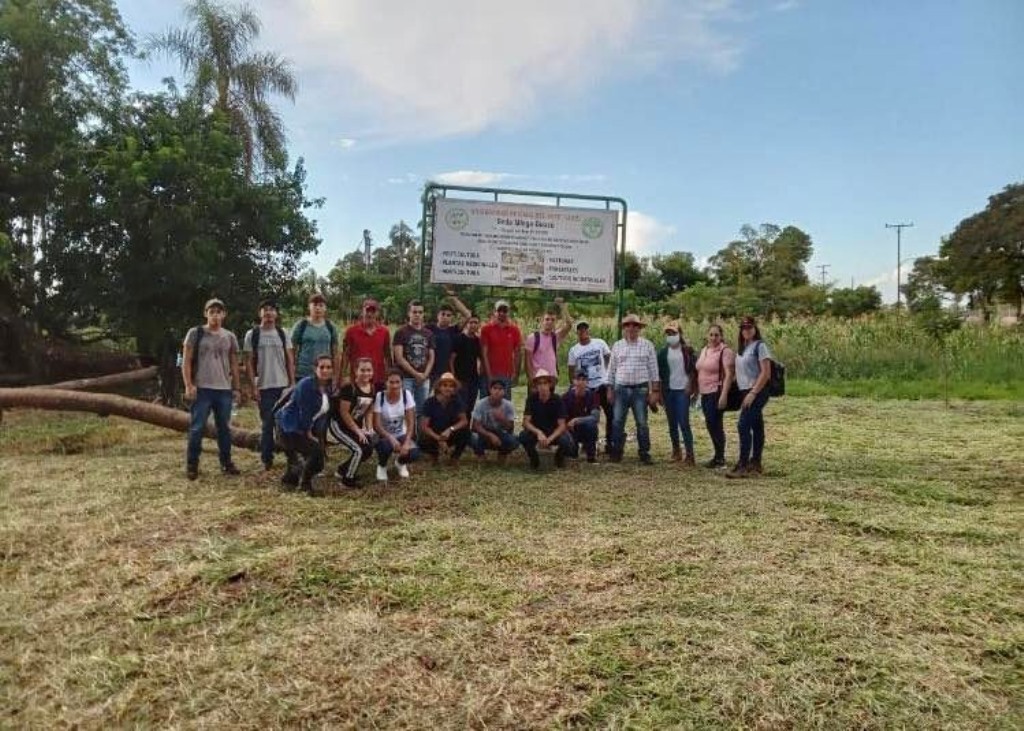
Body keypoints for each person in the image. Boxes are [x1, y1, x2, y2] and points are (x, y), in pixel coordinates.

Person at [181, 298, 242, 481]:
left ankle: (226, 462)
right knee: (197, 427)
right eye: (211, 312)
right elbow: (186, 361)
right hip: (202, 388)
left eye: (219, 312)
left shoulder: (229, 336)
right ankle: (192, 464)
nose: (215, 315)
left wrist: (236, 388)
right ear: (205, 313)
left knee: (224, 428)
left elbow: (234, 364)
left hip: (223, 389)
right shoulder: (195, 333)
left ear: (224, 314)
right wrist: (188, 385)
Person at [243, 297, 295, 471]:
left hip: (283, 386)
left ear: (276, 314)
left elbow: (289, 360)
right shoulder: (252, 335)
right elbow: (249, 362)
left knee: (286, 423)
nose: (269, 312)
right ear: (260, 314)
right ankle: (267, 459)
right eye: (265, 309)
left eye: (272, 309)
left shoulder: (283, 333)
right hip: (263, 386)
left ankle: (291, 457)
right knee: (267, 424)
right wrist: (253, 386)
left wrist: (292, 383)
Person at [276, 355, 335, 494]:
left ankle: (290, 479)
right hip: (290, 427)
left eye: (328, 367)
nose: (325, 370)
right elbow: (305, 411)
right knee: (316, 454)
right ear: (315, 369)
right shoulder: (307, 385)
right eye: (322, 367)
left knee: (308, 456)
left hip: (300, 426)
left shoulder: (327, 387)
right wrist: (308, 433)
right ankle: (304, 485)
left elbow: (321, 414)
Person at [607, 313, 661, 464]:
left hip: (640, 390)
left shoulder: (648, 345)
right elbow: (611, 370)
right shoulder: (617, 346)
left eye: (635, 325)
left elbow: (654, 370)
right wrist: (609, 389)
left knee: (642, 422)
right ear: (624, 328)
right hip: (620, 389)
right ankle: (617, 451)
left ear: (639, 328)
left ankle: (644, 452)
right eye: (628, 325)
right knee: (617, 421)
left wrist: (655, 392)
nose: (631, 328)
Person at [726, 316, 772, 479]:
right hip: (744, 390)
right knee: (757, 425)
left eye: (749, 327)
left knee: (743, 425)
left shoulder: (760, 346)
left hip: (757, 390)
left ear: (755, 329)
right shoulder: (743, 347)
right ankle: (756, 462)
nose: (746, 330)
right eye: (744, 328)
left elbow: (766, 372)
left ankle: (743, 464)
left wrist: (753, 393)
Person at [330, 357, 377, 488]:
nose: (366, 373)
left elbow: (368, 411)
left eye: (369, 370)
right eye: (362, 370)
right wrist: (357, 431)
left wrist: (369, 428)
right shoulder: (349, 388)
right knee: (358, 450)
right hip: (339, 425)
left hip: (355, 425)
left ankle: (342, 470)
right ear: (356, 371)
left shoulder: (372, 388)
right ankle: (347, 481)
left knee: (367, 448)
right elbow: (344, 413)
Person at [567, 320, 613, 451]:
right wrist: (574, 384)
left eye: (585, 329)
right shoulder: (574, 350)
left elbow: (609, 358)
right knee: (588, 417)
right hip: (587, 389)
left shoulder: (600, 343)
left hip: (602, 385)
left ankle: (610, 444)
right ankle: (588, 443)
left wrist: (609, 377)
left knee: (611, 415)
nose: (583, 332)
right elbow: (571, 369)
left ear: (589, 330)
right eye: (580, 330)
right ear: (577, 332)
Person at [694, 324, 735, 468]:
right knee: (710, 424)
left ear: (721, 336)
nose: (713, 338)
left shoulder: (725, 351)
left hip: (715, 392)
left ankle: (720, 457)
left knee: (716, 424)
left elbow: (729, 374)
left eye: (716, 335)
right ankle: (717, 455)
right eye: (711, 334)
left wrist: (723, 395)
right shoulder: (705, 350)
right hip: (704, 392)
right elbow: (699, 371)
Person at [657, 321, 697, 466]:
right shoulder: (662, 353)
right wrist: (660, 394)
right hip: (668, 391)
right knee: (671, 423)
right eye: (668, 333)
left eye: (673, 333)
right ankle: (676, 451)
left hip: (682, 391)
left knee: (683, 422)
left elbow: (693, 370)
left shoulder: (687, 351)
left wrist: (690, 385)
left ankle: (690, 454)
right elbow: (660, 375)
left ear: (679, 334)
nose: (670, 336)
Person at [519, 369, 575, 469]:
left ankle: (559, 458)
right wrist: (538, 432)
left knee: (567, 442)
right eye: (539, 383)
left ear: (550, 384)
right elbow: (526, 422)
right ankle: (534, 459)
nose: (542, 386)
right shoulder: (531, 399)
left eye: (545, 383)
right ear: (536, 386)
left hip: (553, 432)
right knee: (523, 436)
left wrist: (550, 439)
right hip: (538, 432)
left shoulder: (557, 400)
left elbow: (562, 425)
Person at [373, 367, 421, 481]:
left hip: (401, 434)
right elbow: (376, 425)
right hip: (383, 435)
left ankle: (400, 463)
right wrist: (390, 438)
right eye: (391, 382)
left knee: (414, 452)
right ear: (386, 383)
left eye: (397, 382)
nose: (394, 385)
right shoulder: (380, 397)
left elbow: (411, 422)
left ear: (402, 383)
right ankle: (382, 466)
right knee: (385, 446)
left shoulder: (406, 395)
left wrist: (407, 442)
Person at [392, 300, 435, 418]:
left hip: (424, 378)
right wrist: (416, 374)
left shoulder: (429, 334)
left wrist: (425, 375)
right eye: (414, 312)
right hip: (406, 378)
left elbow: (431, 357)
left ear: (423, 314)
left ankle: (420, 436)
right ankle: (407, 436)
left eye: (420, 312)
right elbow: (399, 357)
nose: (417, 315)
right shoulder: (400, 332)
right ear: (409, 313)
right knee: (405, 410)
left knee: (422, 411)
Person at [419, 372, 470, 465]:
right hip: (434, 434)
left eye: (451, 386)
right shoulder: (429, 402)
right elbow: (424, 427)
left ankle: (454, 458)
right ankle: (434, 457)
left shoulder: (457, 401)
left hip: (448, 433)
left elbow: (464, 420)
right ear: (439, 387)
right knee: (422, 438)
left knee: (466, 432)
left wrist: (450, 429)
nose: (448, 388)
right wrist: (439, 439)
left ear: (454, 389)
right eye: (445, 385)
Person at [341, 298, 390, 391]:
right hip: (357, 379)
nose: (370, 314)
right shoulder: (351, 331)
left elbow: (387, 356)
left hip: (378, 379)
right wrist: (342, 377)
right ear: (362, 312)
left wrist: (389, 376)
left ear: (377, 313)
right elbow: (345, 355)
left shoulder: (384, 332)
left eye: (373, 311)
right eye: (367, 311)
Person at [480, 299, 523, 401]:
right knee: (486, 405)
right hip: (488, 374)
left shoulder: (515, 330)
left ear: (508, 312)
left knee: (504, 406)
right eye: (499, 310)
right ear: (494, 312)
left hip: (506, 374)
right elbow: (484, 353)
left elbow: (517, 352)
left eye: (505, 311)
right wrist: (489, 374)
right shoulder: (486, 329)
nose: (502, 313)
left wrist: (516, 373)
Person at [290, 292, 339, 380]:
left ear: (325, 308)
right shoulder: (301, 325)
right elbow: (292, 351)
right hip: (303, 373)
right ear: (309, 307)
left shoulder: (330, 327)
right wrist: (291, 371)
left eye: (321, 305)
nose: (318, 308)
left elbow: (335, 353)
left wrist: (335, 375)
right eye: (315, 305)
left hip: (325, 373)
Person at [470, 379, 519, 461]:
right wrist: (490, 435)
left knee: (514, 441)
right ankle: (480, 455)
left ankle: (502, 453)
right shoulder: (480, 404)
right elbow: (475, 426)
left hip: (500, 433)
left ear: (504, 392)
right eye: (495, 388)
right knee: (472, 438)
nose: (497, 391)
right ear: (490, 390)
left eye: (500, 389)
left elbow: (510, 428)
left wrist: (502, 419)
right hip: (484, 433)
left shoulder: (508, 405)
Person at [524, 298, 572, 382]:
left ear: (556, 322)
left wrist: (563, 307)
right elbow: (528, 361)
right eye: (547, 319)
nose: (550, 322)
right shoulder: (533, 338)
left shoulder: (555, 337)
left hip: (551, 379)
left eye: (553, 320)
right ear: (542, 321)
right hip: (537, 379)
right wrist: (530, 379)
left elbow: (569, 325)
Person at [562, 370, 600, 463]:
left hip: (585, 428)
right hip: (570, 430)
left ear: (587, 382)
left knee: (592, 426)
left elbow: (595, 417)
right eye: (578, 379)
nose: (580, 382)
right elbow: (560, 419)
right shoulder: (565, 397)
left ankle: (591, 454)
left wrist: (576, 420)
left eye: (583, 379)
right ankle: (571, 448)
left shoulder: (593, 396)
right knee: (572, 455)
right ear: (573, 381)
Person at [450, 312, 483, 415]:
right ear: (466, 324)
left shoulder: (478, 341)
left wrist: (480, 373)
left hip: (473, 379)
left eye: (476, 323)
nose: (473, 325)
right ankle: (458, 430)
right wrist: (453, 377)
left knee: (470, 407)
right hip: (460, 378)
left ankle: (467, 430)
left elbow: (480, 359)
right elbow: (451, 359)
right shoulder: (459, 338)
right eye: (471, 322)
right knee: (460, 407)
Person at [428, 303, 460, 389]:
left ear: (452, 317)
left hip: (446, 371)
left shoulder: (453, 330)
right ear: (438, 315)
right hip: (429, 371)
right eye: (443, 314)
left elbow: (467, 315)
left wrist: (453, 298)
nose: (445, 317)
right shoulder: (429, 328)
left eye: (448, 315)